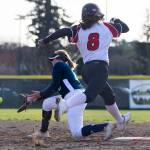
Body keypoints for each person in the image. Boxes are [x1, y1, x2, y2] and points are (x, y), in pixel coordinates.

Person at [38, 3, 131, 130]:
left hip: (86, 69)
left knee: (109, 95)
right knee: (90, 95)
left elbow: (64, 31)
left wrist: (46, 40)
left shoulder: (78, 29)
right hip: (100, 68)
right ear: (98, 14)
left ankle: (121, 120)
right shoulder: (108, 26)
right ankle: (64, 106)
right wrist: (116, 20)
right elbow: (126, 28)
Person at [27, 50, 115, 140]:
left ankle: (106, 126)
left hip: (74, 96)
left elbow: (54, 86)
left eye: (52, 59)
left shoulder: (59, 65)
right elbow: (54, 87)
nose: (51, 62)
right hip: (74, 96)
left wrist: (40, 94)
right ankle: (44, 132)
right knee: (47, 103)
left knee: (77, 134)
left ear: (57, 58)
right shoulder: (64, 66)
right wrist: (35, 98)